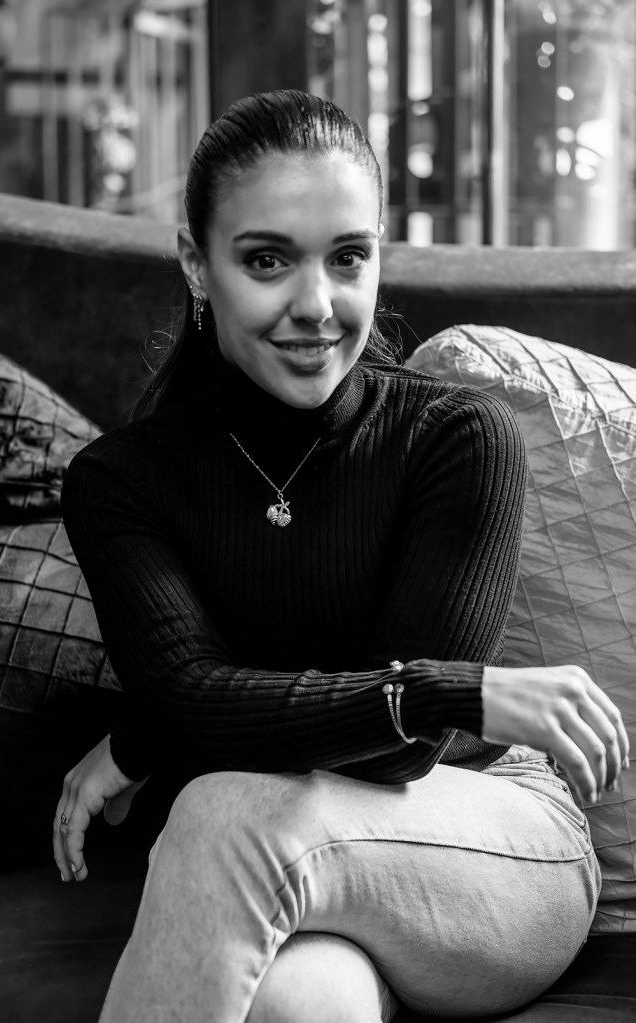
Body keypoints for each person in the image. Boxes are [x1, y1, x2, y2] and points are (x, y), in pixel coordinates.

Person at [53, 90, 629, 1023]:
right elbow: (189, 694)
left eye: (348, 257)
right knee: (297, 1004)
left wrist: (162, 735)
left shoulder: (457, 435)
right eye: (267, 260)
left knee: (221, 813)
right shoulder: (122, 481)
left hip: (489, 842)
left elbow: (402, 755)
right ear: (196, 265)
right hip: (292, 866)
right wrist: (445, 688)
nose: (315, 306)